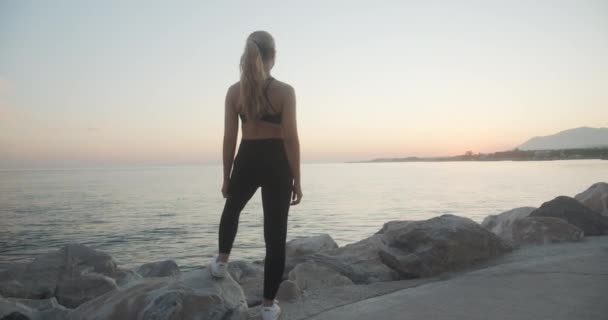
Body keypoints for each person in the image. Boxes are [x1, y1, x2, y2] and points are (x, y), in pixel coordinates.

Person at [209, 30, 302, 320]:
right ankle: (267, 306)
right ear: (272, 57)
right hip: (276, 161)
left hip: (247, 157)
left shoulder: (234, 92)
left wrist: (226, 176)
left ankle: (221, 262)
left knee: (232, 208)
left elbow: (228, 138)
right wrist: (297, 179)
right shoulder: (285, 91)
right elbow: (291, 138)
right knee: (275, 235)